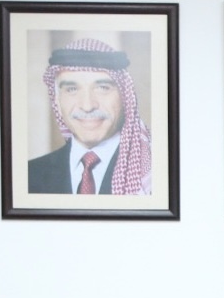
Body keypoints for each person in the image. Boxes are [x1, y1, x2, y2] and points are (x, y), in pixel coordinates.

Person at [27, 38, 152, 196]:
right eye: (72, 89)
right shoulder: (29, 175)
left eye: (103, 88)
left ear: (125, 97)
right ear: (57, 101)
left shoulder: (153, 174)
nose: (87, 106)